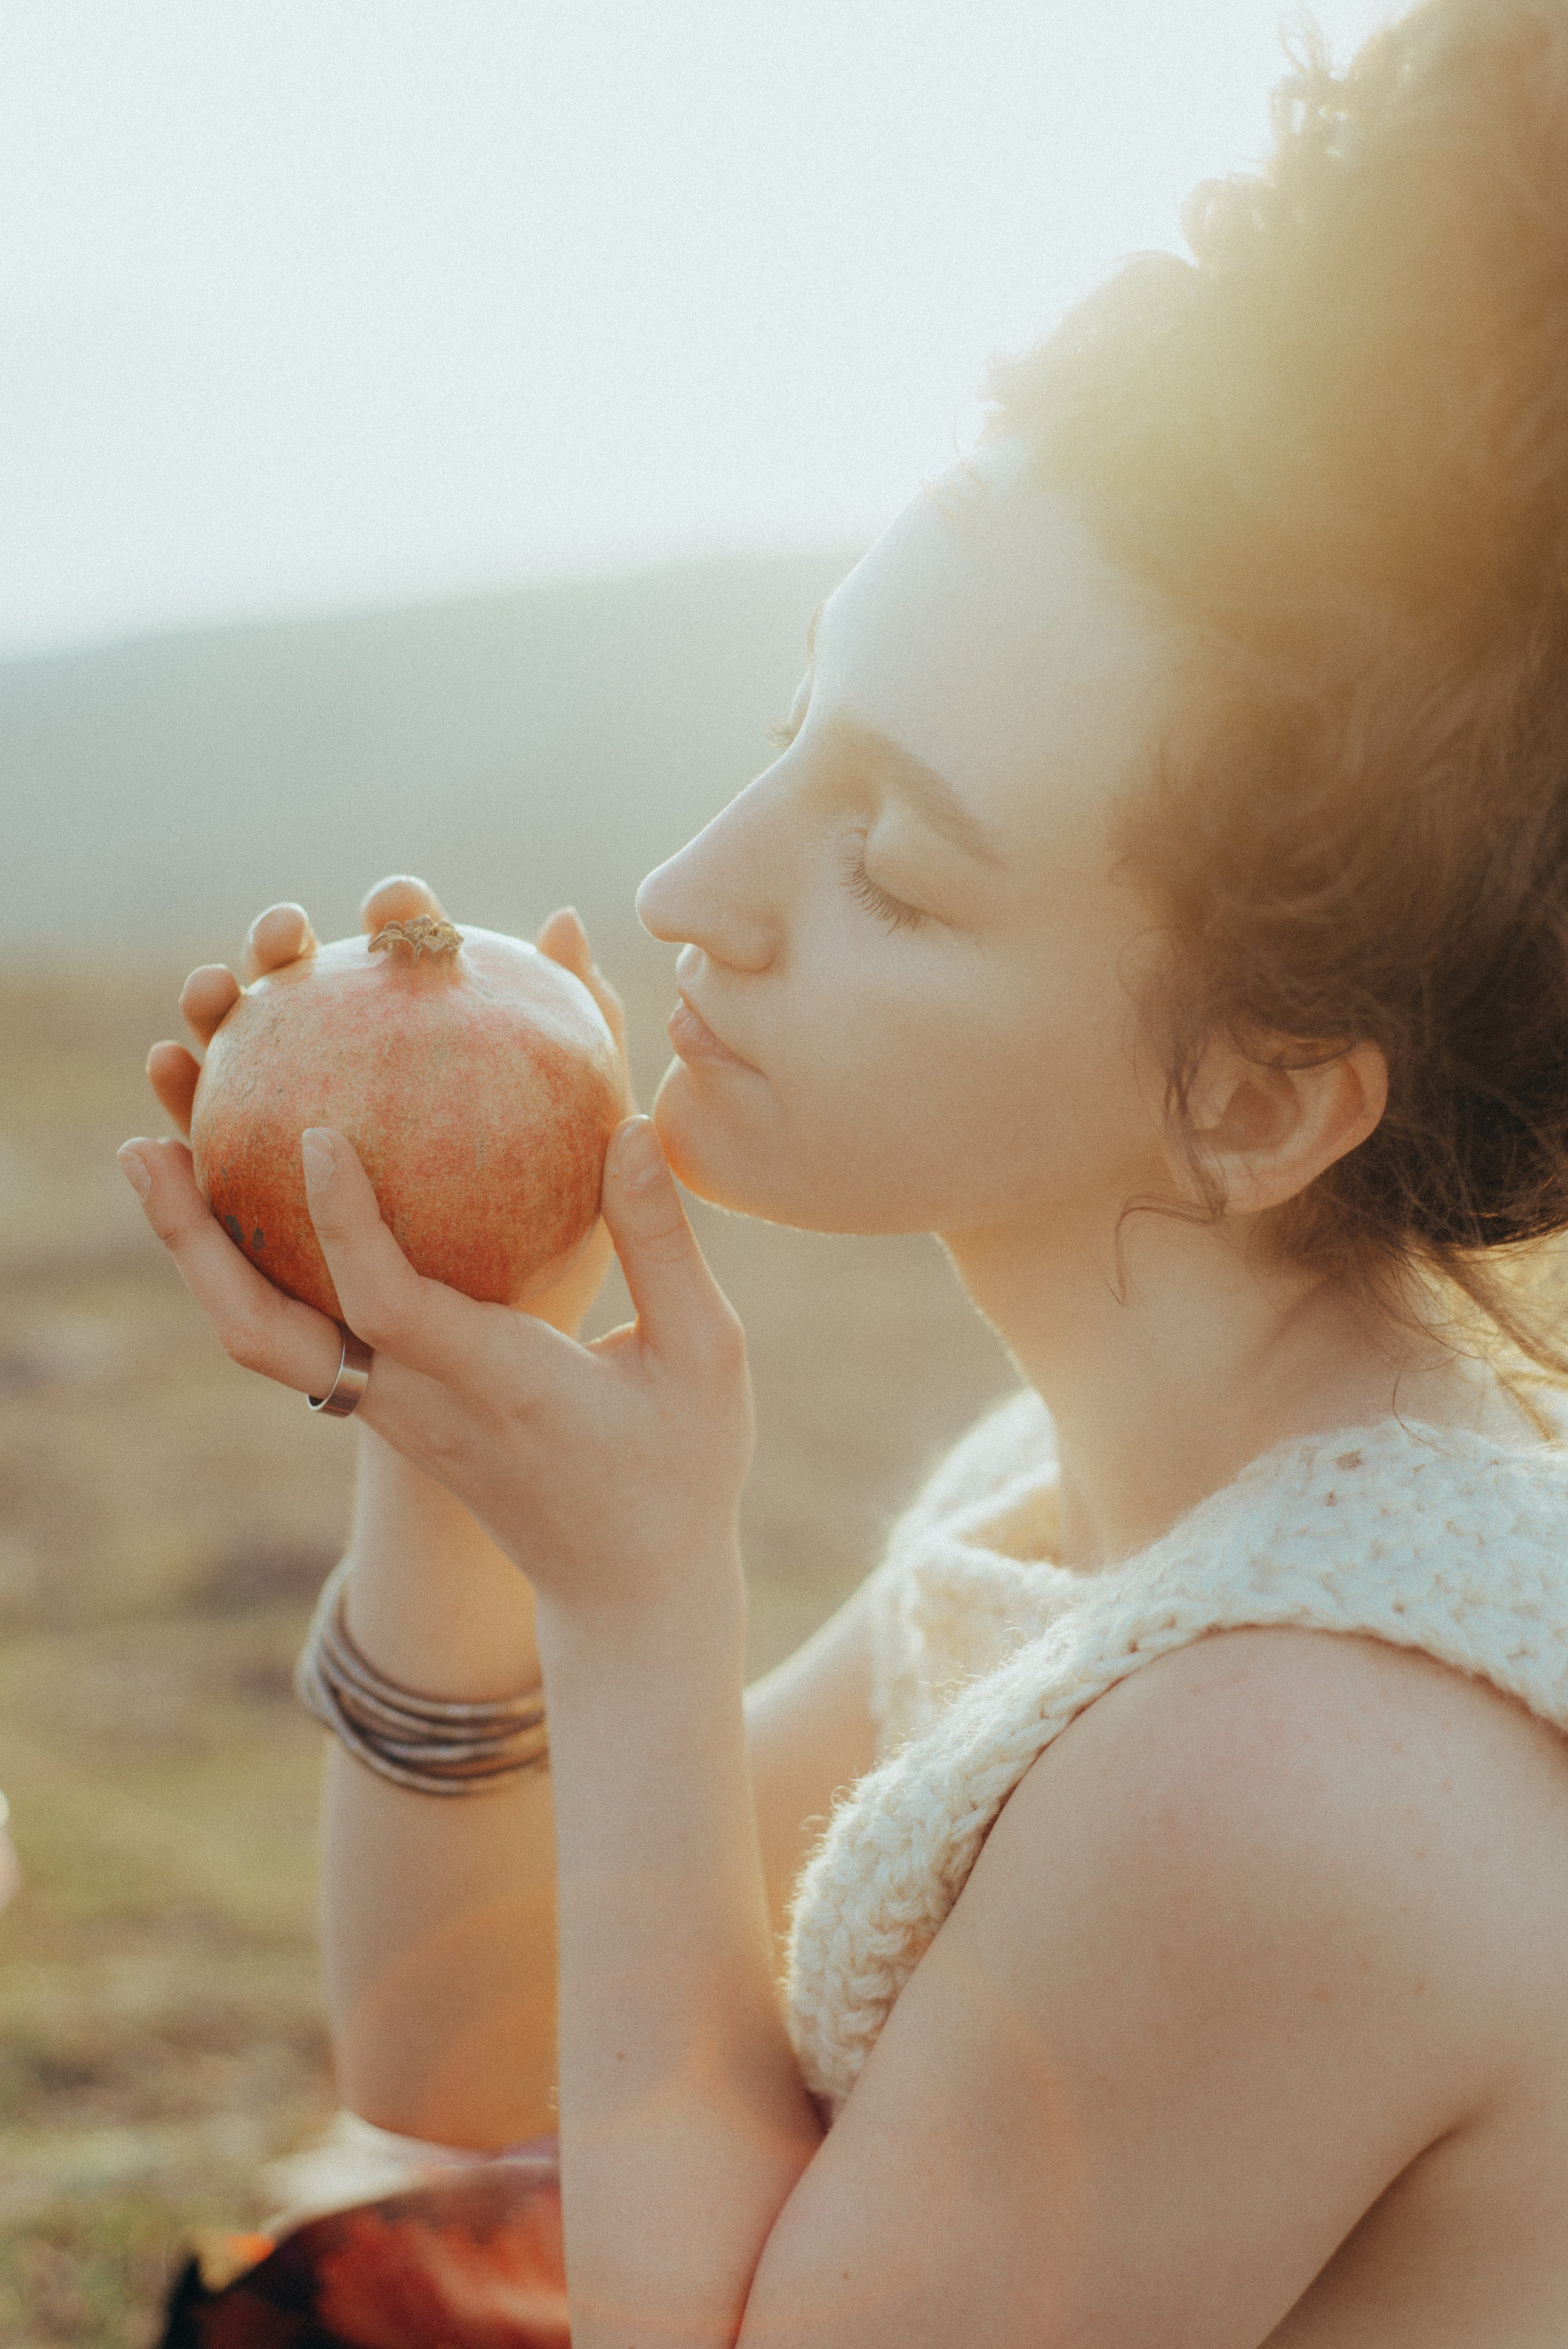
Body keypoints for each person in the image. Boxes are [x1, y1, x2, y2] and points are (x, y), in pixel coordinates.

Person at [123, 0, 1568, 2337]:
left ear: (1262, 1095)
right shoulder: (1082, 1503)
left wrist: (637, 1602)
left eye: (891, 860)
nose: (697, 880)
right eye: (795, 720)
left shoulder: (1305, 1760)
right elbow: (458, 2038)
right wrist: (450, 1377)